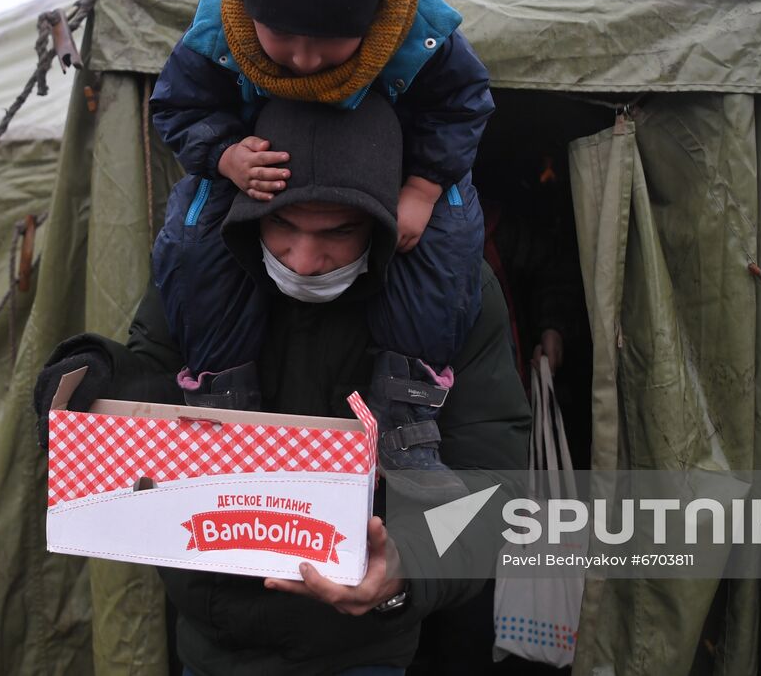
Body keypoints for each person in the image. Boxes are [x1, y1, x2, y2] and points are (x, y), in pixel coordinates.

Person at [34, 96, 530, 676]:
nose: (305, 259)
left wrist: (403, 569)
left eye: (338, 232)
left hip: (360, 649)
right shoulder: (204, 276)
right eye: (281, 227)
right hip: (213, 636)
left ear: (383, 222)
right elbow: (159, 381)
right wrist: (96, 374)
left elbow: (492, 486)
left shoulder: (451, 299)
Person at [147, 0, 494, 497]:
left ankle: (407, 409)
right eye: (284, 40)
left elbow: (460, 103)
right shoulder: (220, 26)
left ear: (372, 15)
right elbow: (180, 104)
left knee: (448, 238)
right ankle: (223, 397)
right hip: (258, 170)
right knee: (191, 239)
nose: (303, 60)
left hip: (396, 168)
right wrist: (223, 153)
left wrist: (422, 186)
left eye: (329, 42)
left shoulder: (415, 23)